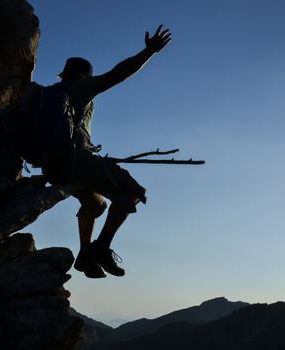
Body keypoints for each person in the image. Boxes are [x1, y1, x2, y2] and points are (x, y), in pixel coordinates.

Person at [16, 25, 172, 278]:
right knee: (131, 192)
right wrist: (149, 52)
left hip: (52, 166)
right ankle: (100, 248)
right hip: (75, 162)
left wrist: (28, 74)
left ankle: (85, 255)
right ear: (83, 77)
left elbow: (26, 100)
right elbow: (118, 74)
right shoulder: (81, 88)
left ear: (64, 74)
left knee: (96, 204)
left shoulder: (44, 93)